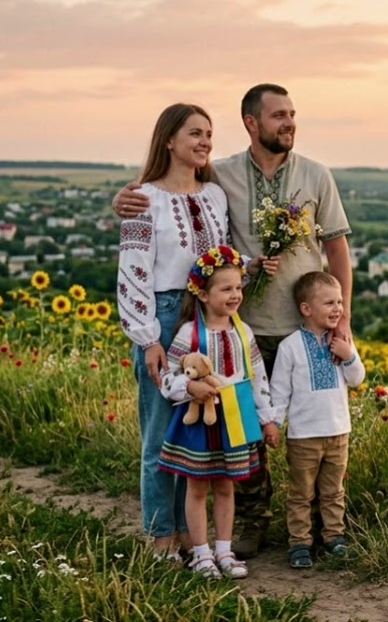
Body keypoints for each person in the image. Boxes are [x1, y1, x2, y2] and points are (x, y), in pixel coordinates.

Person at [113, 83, 354, 558]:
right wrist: (121, 202)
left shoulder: (294, 178)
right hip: (205, 321)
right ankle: (210, 531)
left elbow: (329, 250)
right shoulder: (211, 181)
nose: (288, 122)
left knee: (296, 428)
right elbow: (142, 246)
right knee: (201, 431)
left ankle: (316, 527)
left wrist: (341, 319)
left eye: (292, 114)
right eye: (278, 115)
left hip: (270, 325)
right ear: (252, 122)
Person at [117, 102, 228, 564]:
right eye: (194, 134)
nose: (204, 142)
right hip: (162, 315)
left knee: (195, 434)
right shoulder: (145, 197)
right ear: (168, 140)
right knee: (161, 431)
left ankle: (190, 532)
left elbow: (222, 259)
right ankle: (161, 533)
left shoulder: (215, 196)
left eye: (208, 134)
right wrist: (149, 339)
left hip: (203, 318)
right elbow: (133, 271)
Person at [157, 246, 281, 578]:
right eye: (226, 289)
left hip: (235, 421)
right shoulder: (189, 335)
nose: (235, 294)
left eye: (238, 287)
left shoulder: (243, 333)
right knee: (198, 488)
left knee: (227, 486)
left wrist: (267, 418)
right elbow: (167, 377)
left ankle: (224, 551)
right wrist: (189, 387)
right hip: (199, 424)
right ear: (203, 293)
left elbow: (258, 378)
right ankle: (201, 554)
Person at [268, 271, 366, 569]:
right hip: (303, 436)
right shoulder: (291, 346)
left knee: (333, 490)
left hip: (338, 431)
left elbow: (357, 378)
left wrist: (349, 355)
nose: (338, 308)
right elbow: (280, 391)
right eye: (329, 303)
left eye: (339, 302)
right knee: (301, 492)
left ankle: (334, 537)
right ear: (306, 309)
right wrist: (273, 422)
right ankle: (300, 543)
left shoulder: (342, 341)